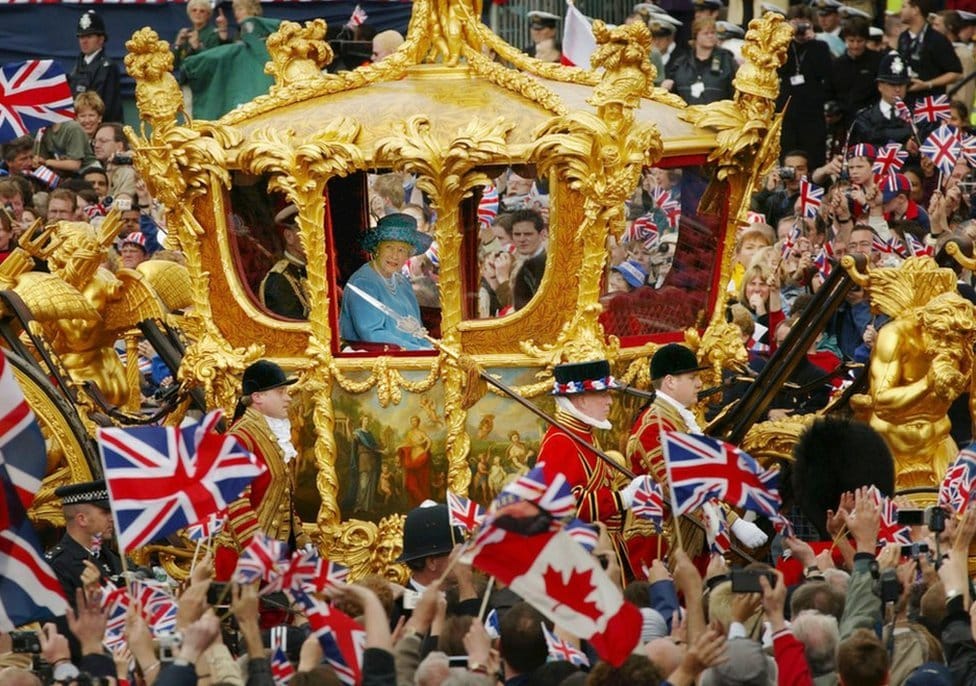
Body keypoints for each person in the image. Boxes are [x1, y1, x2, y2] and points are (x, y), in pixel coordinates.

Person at [626, 344, 768, 556]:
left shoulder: (673, 420)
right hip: (662, 545)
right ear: (670, 382)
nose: (700, 384)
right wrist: (734, 522)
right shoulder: (654, 426)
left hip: (687, 536)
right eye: (692, 378)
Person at [534, 359, 653, 581]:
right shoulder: (560, 441)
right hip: (585, 558)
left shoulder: (581, 433)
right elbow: (563, 508)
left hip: (604, 550)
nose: (609, 401)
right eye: (602, 394)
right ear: (580, 399)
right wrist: (622, 499)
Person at [215, 359, 310, 580]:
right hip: (244, 563)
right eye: (280, 391)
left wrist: (301, 538)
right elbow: (236, 505)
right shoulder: (239, 438)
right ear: (258, 397)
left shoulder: (272, 433)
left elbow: (283, 498)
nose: (288, 398)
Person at [340, 212, 433, 350]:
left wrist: (430, 347)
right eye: (389, 247)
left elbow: (417, 331)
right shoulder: (363, 282)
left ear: (408, 255)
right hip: (377, 363)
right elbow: (372, 334)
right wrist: (417, 350)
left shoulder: (403, 282)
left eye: (401, 250)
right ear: (377, 248)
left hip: (410, 358)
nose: (394, 255)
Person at [897, 0, 962, 103]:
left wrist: (927, 84)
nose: (900, 11)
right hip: (906, 101)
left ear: (915, 10)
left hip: (930, 104)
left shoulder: (937, 39)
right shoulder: (903, 37)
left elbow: (956, 73)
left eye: (904, 7)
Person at [850, 52, 917, 151]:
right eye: (892, 84)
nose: (898, 89)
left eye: (901, 84)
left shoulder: (917, 114)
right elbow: (866, 148)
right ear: (880, 86)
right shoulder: (864, 117)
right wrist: (904, 147)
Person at [664, 17, 737, 105]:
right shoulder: (681, 62)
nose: (710, 36)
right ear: (696, 36)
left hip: (716, 115)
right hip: (685, 113)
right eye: (706, 33)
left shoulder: (727, 61)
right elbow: (671, 91)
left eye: (713, 33)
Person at [67, 11, 122, 123]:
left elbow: (109, 109)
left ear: (101, 39)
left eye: (89, 36)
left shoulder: (108, 68)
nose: (84, 41)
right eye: (81, 37)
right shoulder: (76, 67)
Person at [259, 205, 310, 320]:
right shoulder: (279, 281)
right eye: (307, 231)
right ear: (289, 236)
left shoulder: (310, 270)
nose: (315, 237)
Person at [345, 415, 383, 514]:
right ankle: (359, 505)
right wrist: (347, 426)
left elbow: (374, 446)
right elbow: (350, 439)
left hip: (372, 459)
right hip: (364, 459)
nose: (367, 421)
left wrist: (382, 450)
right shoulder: (358, 433)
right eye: (365, 420)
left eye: (368, 420)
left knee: (371, 483)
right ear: (361, 421)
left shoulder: (369, 434)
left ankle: (368, 507)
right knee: (363, 483)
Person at [173, 0, 229, 68]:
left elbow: (214, 62)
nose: (197, 13)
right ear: (189, 13)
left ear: (208, 15)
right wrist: (177, 44)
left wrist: (198, 47)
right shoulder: (185, 33)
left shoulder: (213, 34)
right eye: (194, 10)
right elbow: (172, 64)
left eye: (202, 11)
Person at [397, 415, 433, 508]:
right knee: (411, 484)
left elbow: (429, 441)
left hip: (420, 456)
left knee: (421, 481)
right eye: (412, 421)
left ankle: (424, 504)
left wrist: (425, 451)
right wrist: (399, 446)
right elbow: (407, 443)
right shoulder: (409, 433)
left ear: (418, 422)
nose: (413, 423)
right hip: (412, 457)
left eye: (415, 421)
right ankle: (418, 503)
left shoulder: (421, 433)